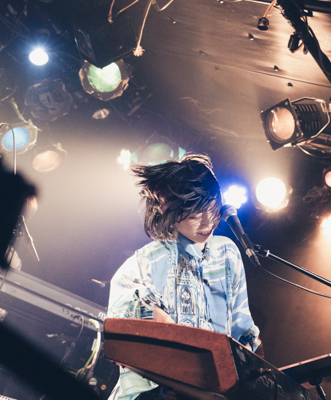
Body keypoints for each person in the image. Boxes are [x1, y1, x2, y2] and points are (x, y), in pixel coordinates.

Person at [107, 153, 260, 400]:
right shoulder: (146, 261)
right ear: (168, 210)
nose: (208, 221)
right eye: (194, 214)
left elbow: (241, 331)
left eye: (212, 208)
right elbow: (133, 340)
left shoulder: (228, 253)